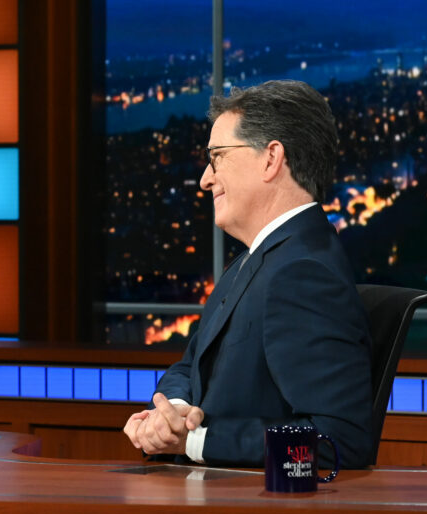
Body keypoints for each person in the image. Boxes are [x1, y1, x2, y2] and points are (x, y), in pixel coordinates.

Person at [123, 80, 373, 469]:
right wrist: (171, 413)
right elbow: (190, 367)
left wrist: (196, 441)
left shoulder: (303, 273)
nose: (206, 178)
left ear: (271, 159)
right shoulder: (254, 260)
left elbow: (336, 441)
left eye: (217, 156)